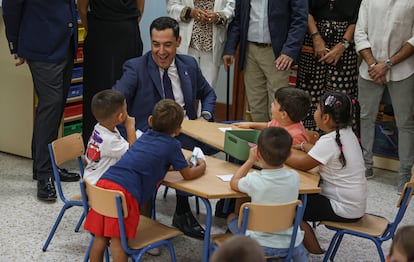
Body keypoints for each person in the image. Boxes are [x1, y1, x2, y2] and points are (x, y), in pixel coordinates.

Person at [112, 16, 216, 239]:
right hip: (152, 136)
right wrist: (129, 134)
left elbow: (208, 93)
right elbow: (116, 100)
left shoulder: (189, 64)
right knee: (174, 150)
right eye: (156, 44)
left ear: (178, 41)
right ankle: (181, 210)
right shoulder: (136, 68)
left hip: (189, 129)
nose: (161, 51)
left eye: (167, 44)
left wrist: (205, 117)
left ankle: (232, 212)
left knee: (236, 139)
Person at [83, 99, 206, 261]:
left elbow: (151, 160)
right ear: (178, 129)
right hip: (124, 193)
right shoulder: (172, 145)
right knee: (119, 242)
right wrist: (202, 165)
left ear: (150, 121)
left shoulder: (145, 136)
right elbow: (188, 174)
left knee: (100, 237)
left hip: (103, 183)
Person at [2, 0, 81, 201]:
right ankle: (45, 174)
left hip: (65, 42)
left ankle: (46, 165)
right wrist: (15, 44)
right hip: (41, 45)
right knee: (51, 104)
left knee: (55, 107)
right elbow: (11, 7)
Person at [285, 91, 367, 254]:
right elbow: (319, 153)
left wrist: (276, 152)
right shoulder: (347, 133)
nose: (314, 112)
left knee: (287, 207)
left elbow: (302, 165)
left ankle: (315, 251)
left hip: (342, 208)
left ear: (325, 118)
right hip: (354, 205)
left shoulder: (329, 141)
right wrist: (302, 146)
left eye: (316, 109)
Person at [354, 0, 414, 192]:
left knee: (405, 124)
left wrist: (387, 64)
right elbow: (360, 33)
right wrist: (373, 65)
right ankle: (366, 165)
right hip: (369, 70)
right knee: (366, 118)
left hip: (403, 70)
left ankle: (404, 174)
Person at [228, 127, 307, 261]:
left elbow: (234, 182)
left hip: (258, 244)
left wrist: (250, 160)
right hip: (290, 243)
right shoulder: (295, 177)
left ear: (258, 154)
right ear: (289, 155)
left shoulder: (253, 180)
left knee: (232, 217)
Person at [222, 0, 308, 122]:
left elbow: (300, 19)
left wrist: (289, 50)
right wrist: (230, 48)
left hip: (276, 52)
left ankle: (274, 138)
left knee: (277, 102)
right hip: (250, 50)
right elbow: (238, 19)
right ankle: (261, 138)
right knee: (255, 103)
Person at [77, 0, 145, 146]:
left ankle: (126, 141)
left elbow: (140, 9)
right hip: (101, 33)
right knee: (97, 89)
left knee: (128, 87)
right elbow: (82, 8)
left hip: (125, 33)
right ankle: (94, 143)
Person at [296, 0, 362, 130]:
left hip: (345, 44)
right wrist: (316, 38)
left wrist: (343, 45)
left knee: (341, 95)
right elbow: (305, 10)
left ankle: (338, 141)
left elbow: (358, 18)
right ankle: (307, 137)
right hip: (313, 38)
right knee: (309, 92)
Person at [167, 0, 235, 89]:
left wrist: (218, 17)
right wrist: (190, 12)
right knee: (183, 88)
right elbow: (171, 6)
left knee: (208, 89)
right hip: (188, 43)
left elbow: (231, 7)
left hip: (211, 45)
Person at [84, 90, 136, 185]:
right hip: (100, 186)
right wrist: (130, 127)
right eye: (125, 110)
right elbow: (134, 155)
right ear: (120, 117)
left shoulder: (99, 127)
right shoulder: (110, 140)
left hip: (91, 179)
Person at [233, 86, 311, 145]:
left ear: (283, 114)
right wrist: (251, 125)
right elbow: (268, 125)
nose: (271, 105)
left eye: (274, 104)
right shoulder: (280, 121)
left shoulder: (296, 136)